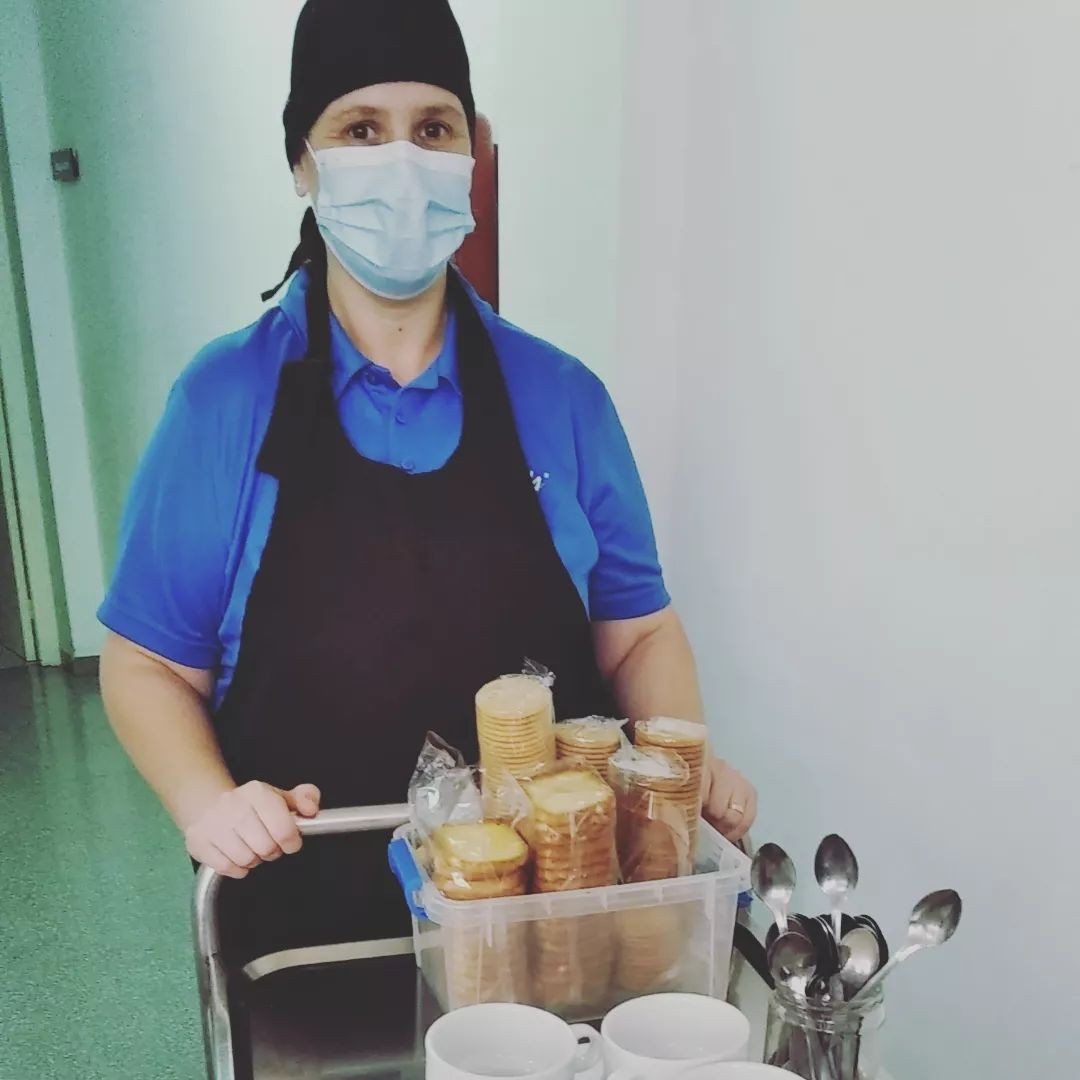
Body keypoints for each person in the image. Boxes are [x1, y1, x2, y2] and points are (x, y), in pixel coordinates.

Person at [99, 0, 757, 961]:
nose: (403, 162)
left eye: (434, 129)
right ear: (301, 161)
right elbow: (147, 664)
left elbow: (640, 633)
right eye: (362, 129)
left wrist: (674, 772)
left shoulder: (563, 397)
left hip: (550, 941)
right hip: (311, 948)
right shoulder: (223, 402)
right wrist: (207, 801)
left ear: (472, 154)